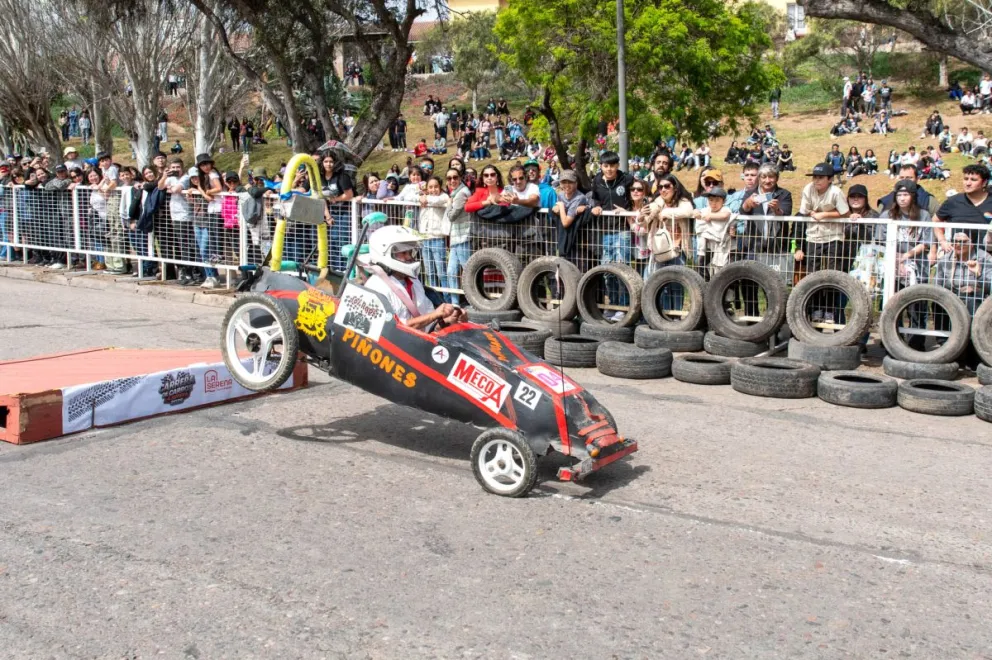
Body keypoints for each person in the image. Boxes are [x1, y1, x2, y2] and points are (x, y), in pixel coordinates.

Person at [362, 225, 467, 330]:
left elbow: (428, 325)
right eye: (403, 253)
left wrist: (450, 320)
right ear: (385, 254)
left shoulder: (414, 281)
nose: (409, 257)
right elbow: (393, 330)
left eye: (410, 252)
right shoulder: (376, 287)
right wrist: (435, 314)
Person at [795, 163, 850, 325]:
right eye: (815, 177)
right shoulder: (808, 189)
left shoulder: (836, 192)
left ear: (830, 179)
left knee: (833, 274)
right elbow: (804, 212)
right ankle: (816, 308)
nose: (816, 180)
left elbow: (845, 213)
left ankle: (830, 310)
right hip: (813, 236)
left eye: (820, 177)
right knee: (813, 274)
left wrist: (825, 214)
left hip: (834, 236)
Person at [933, 163, 992, 252]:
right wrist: (942, 241)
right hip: (959, 258)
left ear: (984, 183)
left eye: (973, 180)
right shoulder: (953, 201)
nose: (968, 183)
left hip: (987, 259)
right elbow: (935, 221)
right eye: (965, 179)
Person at [443, 168, 472, 305]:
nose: (452, 181)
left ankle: (473, 301)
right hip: (456, 238)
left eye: (455, 177)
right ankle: (455, 303)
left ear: (460, 178)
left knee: (467, 271)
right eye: (449, 178)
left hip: (463, 237)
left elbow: (452, 216)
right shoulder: (455, 193)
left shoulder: (461, 193)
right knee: (451, 271)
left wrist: (448, 205)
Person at [416, 176, 450, 290]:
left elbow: (440, 200)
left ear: (440, 187)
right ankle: (434, 298)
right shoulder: (422, 196)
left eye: (436, 186)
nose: (433, 189)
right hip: (424, 238)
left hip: (437, 238)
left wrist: (426, 198)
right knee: (430, 272)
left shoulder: (444, 197)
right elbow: (409, 197)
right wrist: (420, 197)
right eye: (430, 187)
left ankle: (446, 297)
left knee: (441, 272)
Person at [693, 186, 733, 279]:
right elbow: (696, 212)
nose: (713, 203)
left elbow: (726, 215)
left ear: (723, 201)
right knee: (700, 264)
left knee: (720, 268)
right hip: (707, 245)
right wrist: (695, 212)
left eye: (717, 200)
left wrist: (711, 216)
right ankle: (706, 283)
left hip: (721, 245)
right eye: (711, 200)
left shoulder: (725, 209)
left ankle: (717, 285)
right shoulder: (705, 210)